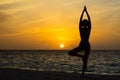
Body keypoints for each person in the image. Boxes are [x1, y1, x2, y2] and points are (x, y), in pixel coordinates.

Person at [68, 6, 91, 77]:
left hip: (87, 46)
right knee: (70, 53)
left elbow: (89, 21)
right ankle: (81, 56)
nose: (84, 25)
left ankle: (82, 74)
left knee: (85, 61)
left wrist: (85, 12)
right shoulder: (81, 30)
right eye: (83, 24)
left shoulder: (88, 30)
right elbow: (80, 21)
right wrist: (84, 12)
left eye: (85, 24)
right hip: (82, 45)